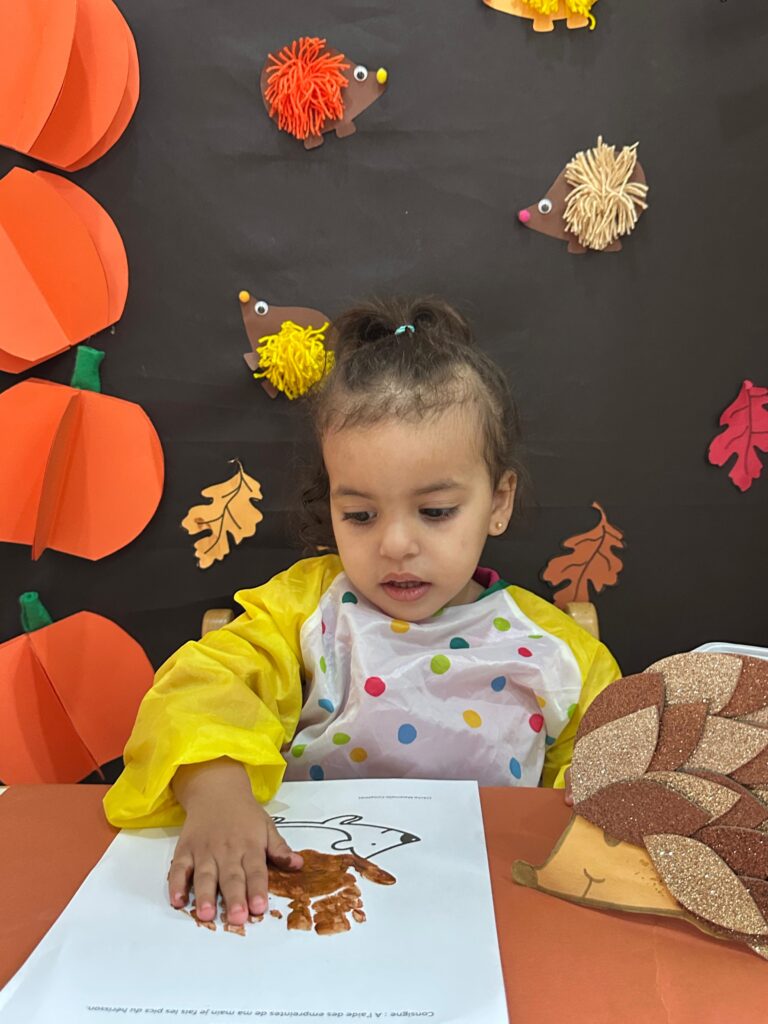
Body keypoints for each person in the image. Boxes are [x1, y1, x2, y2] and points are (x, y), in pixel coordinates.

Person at [104, 297, 620, 927]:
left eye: (435, 512)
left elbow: (609, 791)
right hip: (309, 896)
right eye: (360, 515)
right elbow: (204, 688)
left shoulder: (561, 654)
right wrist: (216, 790)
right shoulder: (305, 610)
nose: (395, 544)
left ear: (498, 501)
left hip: (485, 917)